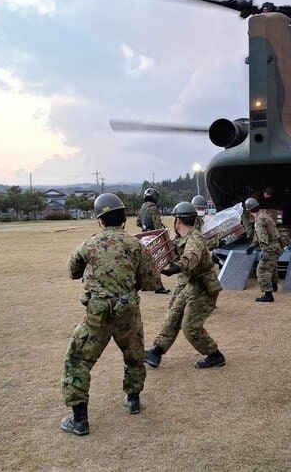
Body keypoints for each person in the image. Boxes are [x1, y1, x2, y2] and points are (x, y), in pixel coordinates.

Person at [60, 193, 164, 436]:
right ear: (123, 219)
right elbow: (150, 281)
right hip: (127, 311)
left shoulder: (89, 244)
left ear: (100, 221)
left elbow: (73, 271)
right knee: (134, 355)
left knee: (78, 360)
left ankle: (79, 420)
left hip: (97, 314)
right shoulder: (135, 245)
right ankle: (133, 400)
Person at [143, 201, 225, 369]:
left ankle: (215, 355)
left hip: (204, 288)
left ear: (177, 221)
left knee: (190, 326)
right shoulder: (182, 238)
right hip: (191, 284)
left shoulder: (195, 239)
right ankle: (156, 351)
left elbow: (191, 256)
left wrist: (177, 267)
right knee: (173, 314)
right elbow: (173, 250)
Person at [245, 197, 284, 302]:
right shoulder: (265, 215)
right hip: (276, 246)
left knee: (263, 270)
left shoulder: (259, 219)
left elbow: (262, 236)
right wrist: (252, 246)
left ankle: (268, 295)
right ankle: (274, 286)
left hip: (270, 247)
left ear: (248, 211)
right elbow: (258, 235)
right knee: (272, 266)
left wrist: (264, 249)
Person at [136, 187, 170, 294]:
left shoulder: (142, 208)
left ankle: (145, 285)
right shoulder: (153, 208)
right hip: (153, 237)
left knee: (145, 262)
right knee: (155, 261)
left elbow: (138, 223)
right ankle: (159, 287)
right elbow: (158, 225)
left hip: (144, 237)